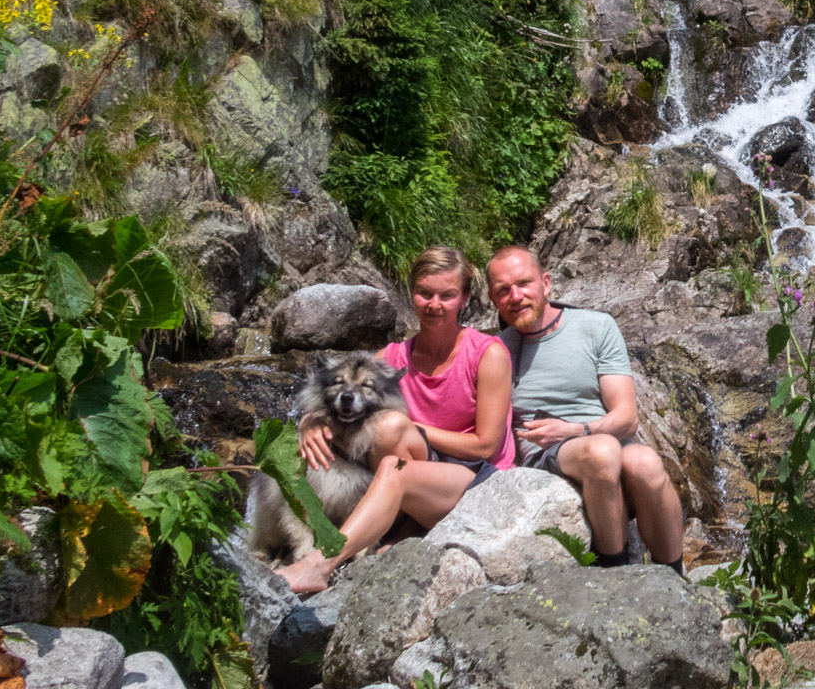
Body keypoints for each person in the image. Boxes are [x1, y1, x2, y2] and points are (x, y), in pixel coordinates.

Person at [276, 247, 514, 593]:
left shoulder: (487, 353)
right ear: (410, 293)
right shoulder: (390, 357)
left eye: (447, 295)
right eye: (425, 293)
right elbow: (342, 393)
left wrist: (412, 428)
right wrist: (310, 422)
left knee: (390, 435)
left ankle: (319, 564)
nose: (434, 305)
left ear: (464, 298)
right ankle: (393, 531)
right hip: (421, 471)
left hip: (477, 479)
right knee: (375, 438)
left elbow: (487, 445)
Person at [484, 245, 686, 572]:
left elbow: (627, 418)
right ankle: (614, 574)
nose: (516, 296)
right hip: (547, 456)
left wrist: (574, 429)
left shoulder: (596, 327)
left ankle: (675, 578)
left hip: (599, 438)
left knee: (645, 461)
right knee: (602, 452)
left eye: (524, 284)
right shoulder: (496, 351)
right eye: (503, 290)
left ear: (546, 283)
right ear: (494, 300)